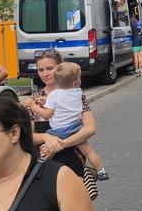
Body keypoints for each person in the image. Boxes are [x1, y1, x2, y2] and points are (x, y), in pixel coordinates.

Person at [22, 50, 98, 180]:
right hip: (46, 161)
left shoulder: (76, 95)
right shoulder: (34, 100)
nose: (45, 74)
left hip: (72, 158)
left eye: (50, 68)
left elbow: (89, 128)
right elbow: (29, 137)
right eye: (41, 70)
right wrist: (46, 138)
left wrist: (60, 144)